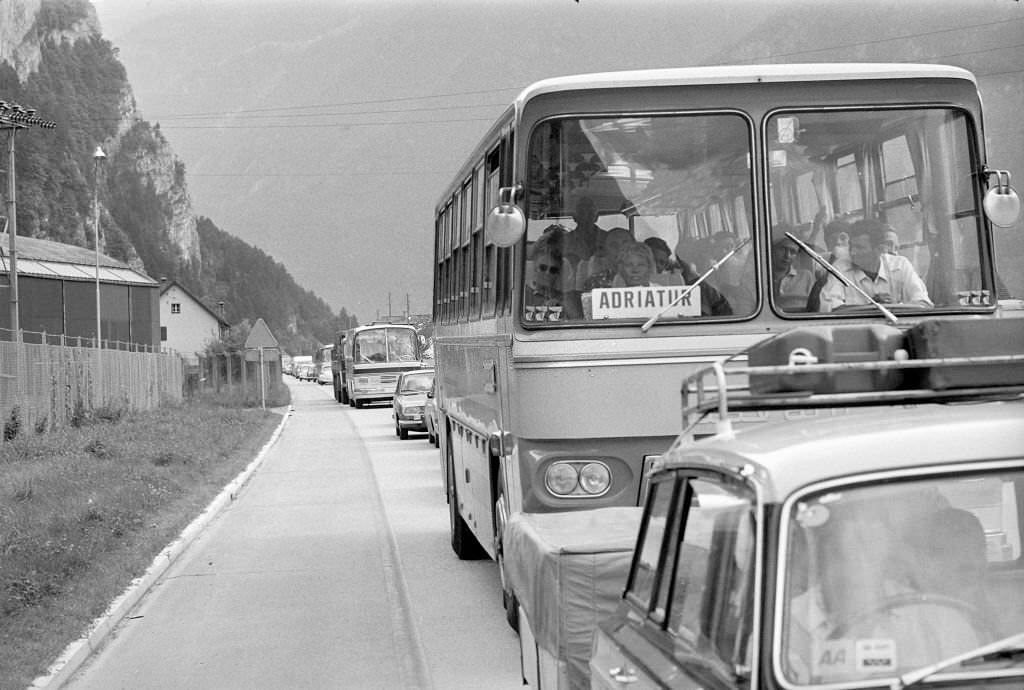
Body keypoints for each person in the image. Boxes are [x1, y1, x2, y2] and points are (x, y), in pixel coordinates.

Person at [816, 219, 932, 312]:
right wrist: (871, 308)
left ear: (880, 250)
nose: (852, 252)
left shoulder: (900, 265)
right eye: (851, 246)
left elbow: (923, 303)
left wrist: (893, 307)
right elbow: (829, 308)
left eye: (859, 247)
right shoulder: (840, 267)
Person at [524, 230, 581, 321]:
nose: (547, 273)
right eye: (543, 268)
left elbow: (577, 322)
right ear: (535, 268)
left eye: (553, 270)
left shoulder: (565, 298)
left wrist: (561, 306)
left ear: (558, 274)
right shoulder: (523, 295)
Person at [770, 224, 816, 312]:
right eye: (783, 249)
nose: (787, 256)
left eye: (793, 252)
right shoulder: (758, 280)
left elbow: (816, 310)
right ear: (772, 249)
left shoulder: (806, 277)